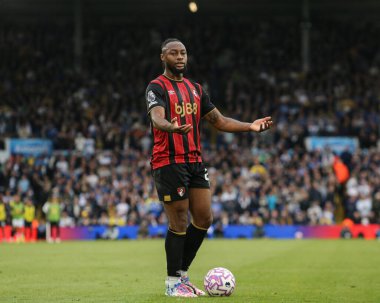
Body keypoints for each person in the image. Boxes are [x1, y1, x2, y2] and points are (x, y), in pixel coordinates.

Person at [145, 38, 273, 297]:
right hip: (169, 161)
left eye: (183, 52)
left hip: (194, 161)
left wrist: (249, 126)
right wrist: (172, 126)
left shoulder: (195, 88)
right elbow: (157, 118)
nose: (180, 57)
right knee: (179, 220)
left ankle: (182, 275)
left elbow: (220, 121)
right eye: (174, 53)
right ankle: (172, 284)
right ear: (163, 57)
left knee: (204, 218)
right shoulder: (156, 86)